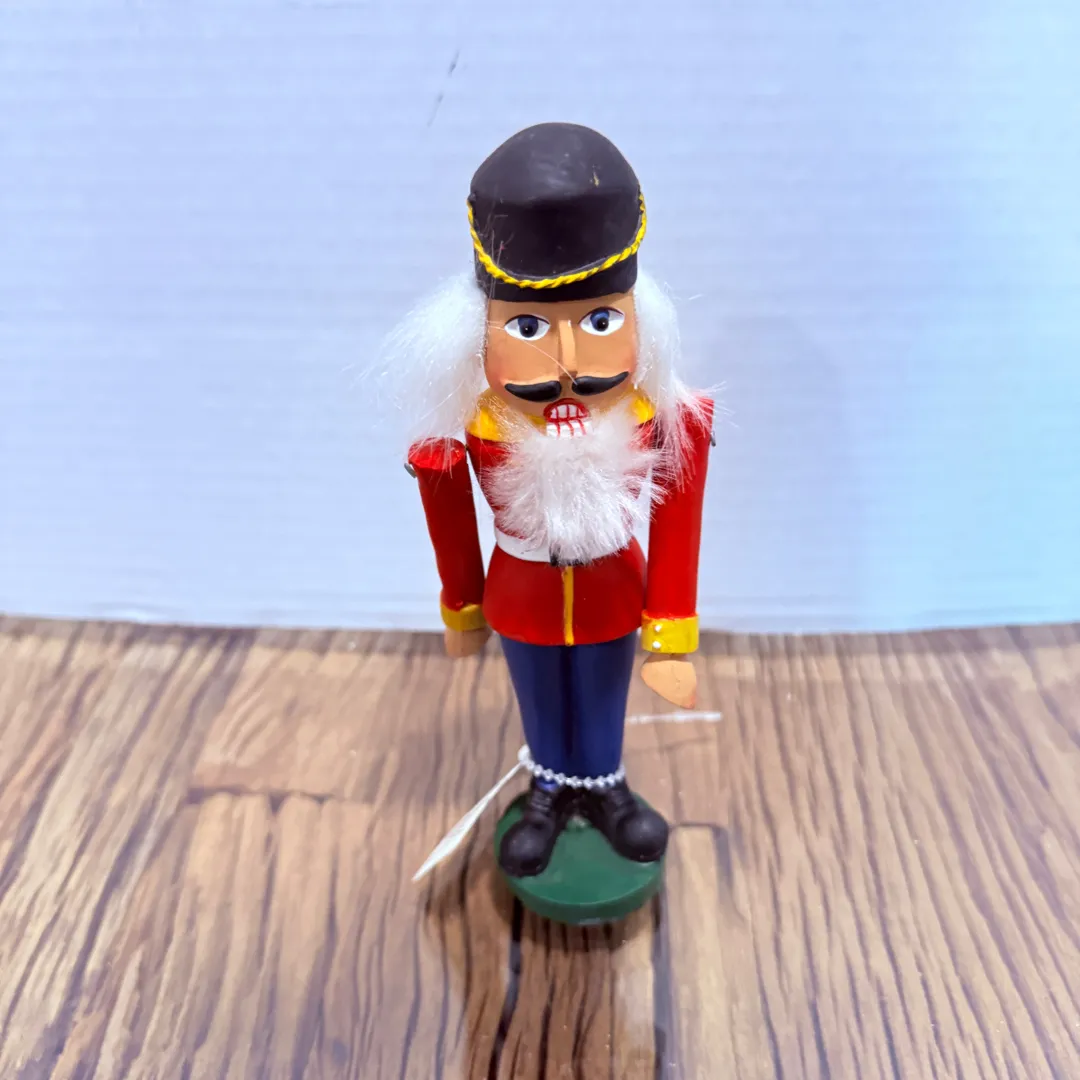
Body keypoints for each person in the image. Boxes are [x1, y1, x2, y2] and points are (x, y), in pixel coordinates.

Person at [388, 122, 713, 879]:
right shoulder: (477, 427)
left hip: (613, 587)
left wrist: (670, 635)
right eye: (529, 329)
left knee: (601, 692)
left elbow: (678, 517)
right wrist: (463, 609)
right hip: (522, 590)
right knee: (538, 694)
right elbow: (451, 520)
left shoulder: (652, 417)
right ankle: (546, 789)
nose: (568, 362)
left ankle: (604, 785)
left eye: (600, 323)